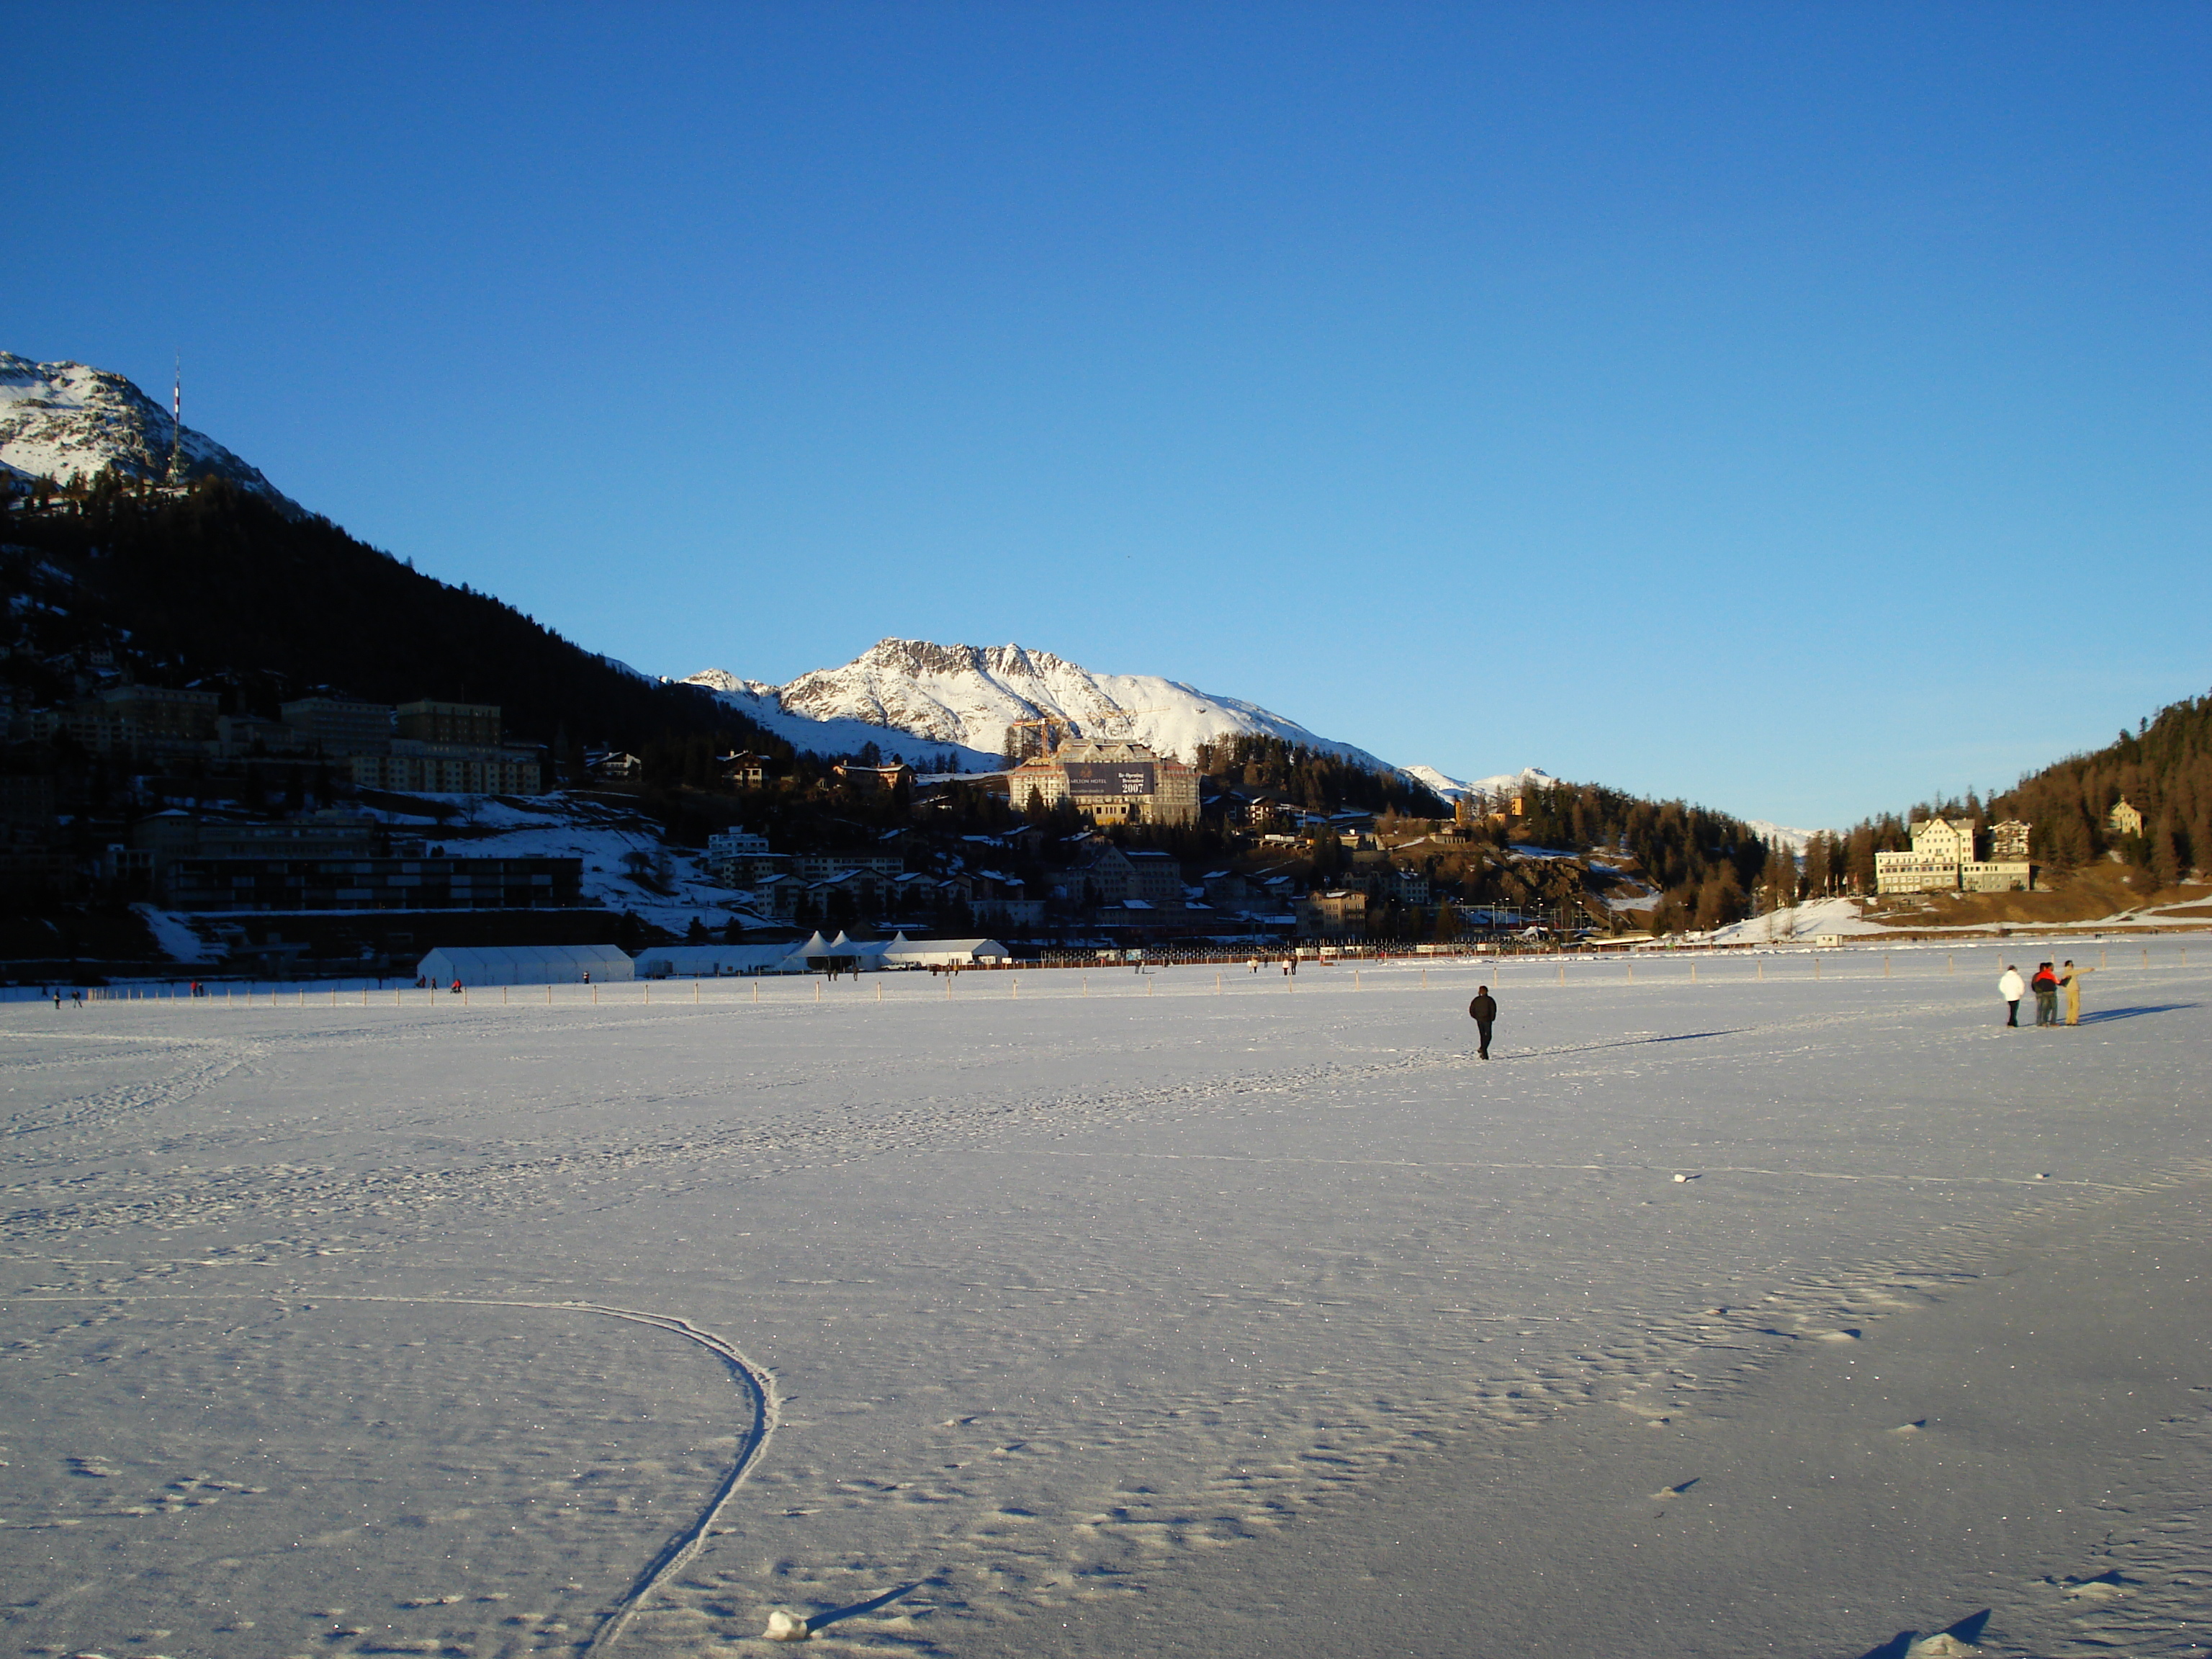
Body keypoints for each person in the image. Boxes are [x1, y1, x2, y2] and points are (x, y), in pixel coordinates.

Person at [2059, 958, 2095, 1026]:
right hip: (2074, 990)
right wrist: (2089, 969)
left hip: (2068, 991)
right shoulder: (2071, 972)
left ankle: (2068, 1020)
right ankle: (2074, 1020)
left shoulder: (2064, 973)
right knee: (2075, 1006)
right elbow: (2080, 971)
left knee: (2070, 1006)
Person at [1469, 984, 1498, 1058]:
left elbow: (1472, 1010)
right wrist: (1492, 1017)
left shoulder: (1476, 1000)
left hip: (1480, 1020)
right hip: (1487, 1020)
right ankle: (1483, 1050)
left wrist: (1476, 1017)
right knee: (1488, 1036)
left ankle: (1484, 1053)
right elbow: (1493, 1010)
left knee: (1483, 1036)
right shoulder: (1490, 1000)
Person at [2031, 961, 2059, 1027]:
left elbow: (2034, 984)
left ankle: (2042, 1021)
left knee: (2043, 1008)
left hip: (2041, 993)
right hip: (2043, 993)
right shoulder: (2045, 974)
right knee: (2046, 1007)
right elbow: (2057, 982)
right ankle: (2045, 1021)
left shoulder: (2037, 975)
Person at [1998, 963, 2025, 1027]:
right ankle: (2012, 1022)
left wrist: (2006, 992)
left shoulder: (2004, 977)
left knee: (2011, 1009)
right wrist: (2020, 993)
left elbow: (2001, 987)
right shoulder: (2017, 977)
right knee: (2014, 1010)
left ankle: (2012, 1021)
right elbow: (2022, 986)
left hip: (2008, 996)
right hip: (2016, 996)